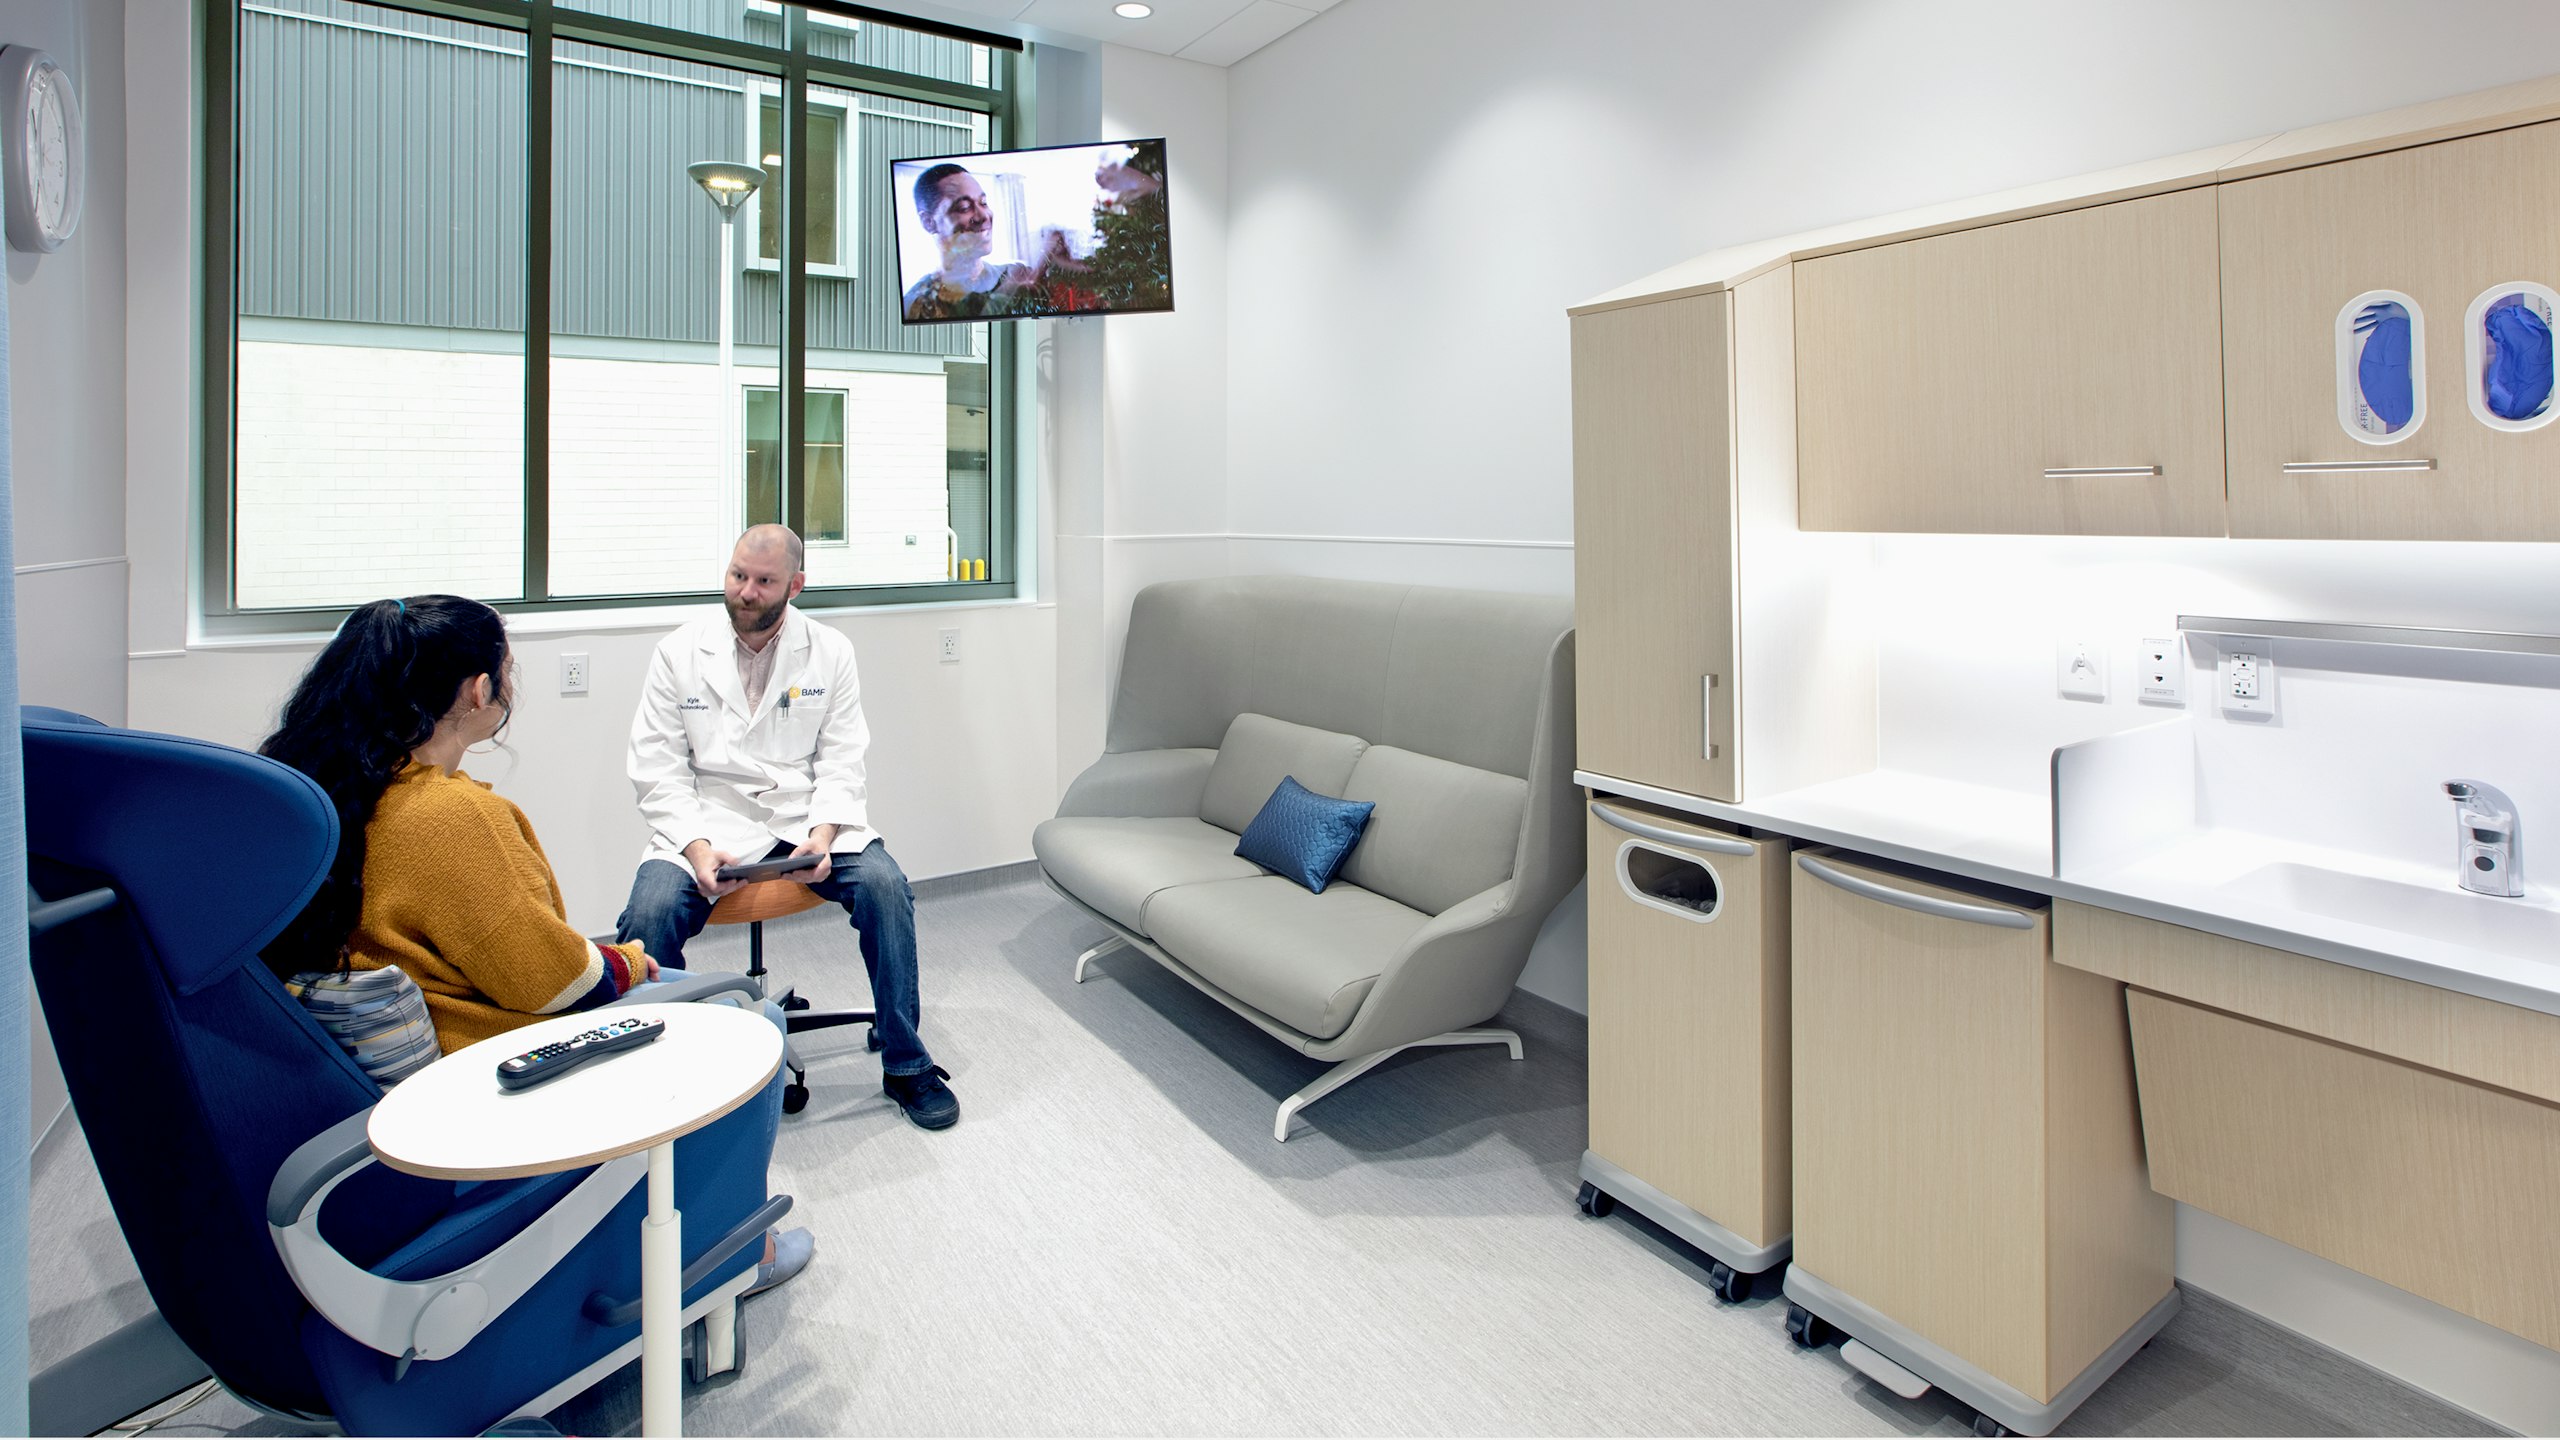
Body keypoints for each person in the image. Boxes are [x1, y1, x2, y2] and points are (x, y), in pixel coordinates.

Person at [259, 594, 816, 1295]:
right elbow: (557, 982)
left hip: (394, 1072)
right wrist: (633, 962)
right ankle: (732, 1254)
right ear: (478, 690)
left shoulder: (324, 789)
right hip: (487, 1067)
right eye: (509, 670)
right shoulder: (453, 817)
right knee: (750, 1019)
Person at [616, 526, 960, 1131]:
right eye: (737, 576)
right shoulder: (679, 652)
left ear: (795, 586)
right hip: (707, 820)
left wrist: (824, 835)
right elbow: (658, 769)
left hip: (806, 817)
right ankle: (656, 1077)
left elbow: (842, 758)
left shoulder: (830, 651)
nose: (746, 592)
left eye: (764, 581)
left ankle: (907, 1063)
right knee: (645, 919)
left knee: (886, 888)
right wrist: (695, 848)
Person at [900, 161, 1038, 322]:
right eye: (965, 207)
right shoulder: (917, 306)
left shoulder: (1018, 277)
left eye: (983, 203)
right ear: (928, 222)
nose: (984, 216)